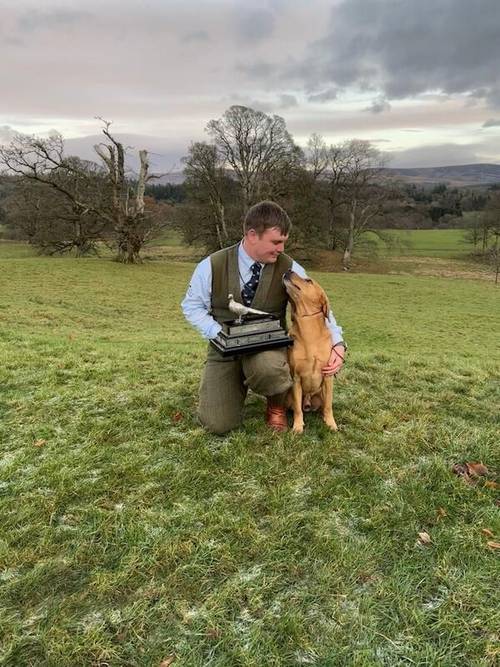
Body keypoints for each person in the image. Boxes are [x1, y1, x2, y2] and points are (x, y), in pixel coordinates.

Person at [181, 201, 346, 434]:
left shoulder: (289, 268)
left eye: (283, 243)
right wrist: (218, 332)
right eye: (276, 242)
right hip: (224, 352)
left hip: (267, 349)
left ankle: (276, 403)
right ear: (252, 235)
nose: (280, 249)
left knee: (270, 369)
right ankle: (232, 385)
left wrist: (338, 343)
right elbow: (192, 306)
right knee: (217, 424)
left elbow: (316, 305)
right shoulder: (211, 265)